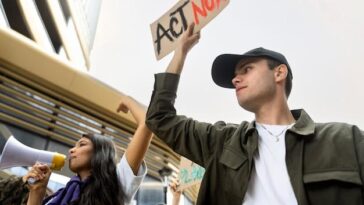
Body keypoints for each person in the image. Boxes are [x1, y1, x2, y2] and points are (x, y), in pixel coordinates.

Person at [145, 23, 364, 205]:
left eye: (247, 69)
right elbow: (159, 118)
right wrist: (180, 53)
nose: (235, 79)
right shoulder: (221, 142)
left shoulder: (346, 140)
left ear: (279, 73)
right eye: (235, 75)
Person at [24, 96, 153, 205]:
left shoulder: (117, 181)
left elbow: (146, 124)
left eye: (82, 144)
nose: (72, 150)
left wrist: (127, 100)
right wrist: (37, 191)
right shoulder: (62, 196)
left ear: (100, 153)